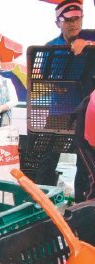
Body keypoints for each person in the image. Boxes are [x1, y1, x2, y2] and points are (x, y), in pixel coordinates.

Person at [35, 0, 94, 199]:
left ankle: (80, 203)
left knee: (84, 163)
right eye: (68, 19)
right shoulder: (50, 47)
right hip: (58, 113)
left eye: (77, 18)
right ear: (58, 23)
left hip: (84, 113)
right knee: (48, 159)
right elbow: (44, 78)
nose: (73, 23)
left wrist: (87, 46)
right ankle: (42, 202)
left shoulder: (90, 41)